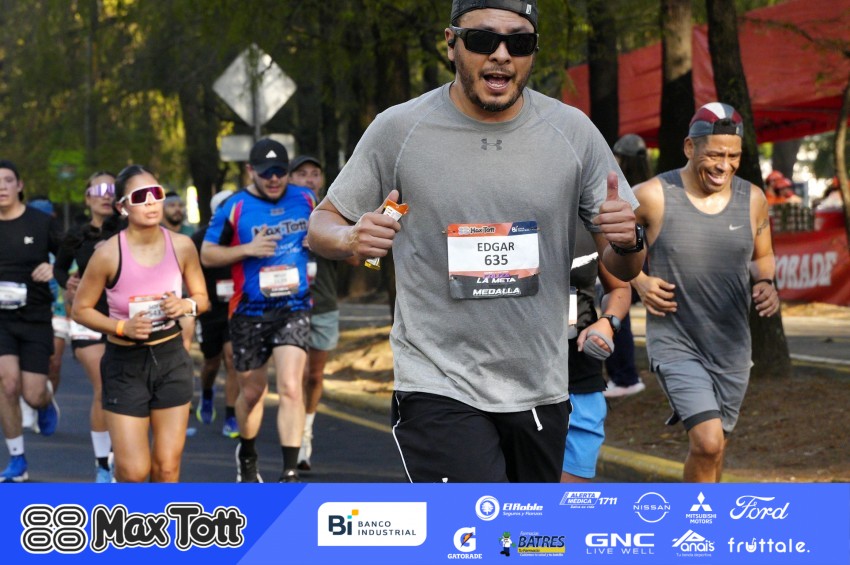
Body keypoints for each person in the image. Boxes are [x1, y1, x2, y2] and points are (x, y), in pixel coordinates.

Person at [307, 0, 645, 483]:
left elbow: (625, 267)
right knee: (478, 522)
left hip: (541, 383)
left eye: (519, 42)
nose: (501, 54)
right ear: (451, 44)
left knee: (529, 526)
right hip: (437, 382)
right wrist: (350, 237)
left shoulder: (572, 132)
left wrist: (628, 241)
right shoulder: (399, 128)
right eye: (483, 39)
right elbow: (321, 224)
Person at [630, 102, 779, 483]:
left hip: (732, 346)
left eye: (733, 156)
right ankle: (695, 517)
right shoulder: (652, 195)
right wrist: (639, 281)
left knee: (717, 447)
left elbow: (763, 257)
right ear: (689, 147)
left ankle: (707, 514)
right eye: (714, 155)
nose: (724, 166)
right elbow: (605, 244)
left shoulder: (753, 199)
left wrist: (765, 284)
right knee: (708, 442)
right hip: (676, 340)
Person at [72, 165, 209, 482]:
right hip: (125, 364)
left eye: (156, 193)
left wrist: (185, 305)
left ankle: (160, 516)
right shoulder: (108, 254)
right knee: (133, 472)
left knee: (167, 469)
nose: (150, 202)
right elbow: (81, 310)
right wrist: (122, 328)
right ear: (122, 207)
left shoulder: (182, 246)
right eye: (139, 196)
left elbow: (202, 299)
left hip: (171, 358)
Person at [201, 138, 314, 483]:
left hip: (294, 306)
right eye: (266, 173)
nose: (274, 179)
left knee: (291, 387)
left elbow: (331, 231)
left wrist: (319, 240)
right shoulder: (234, 206)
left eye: (280, 171)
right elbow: (207, 254)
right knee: (252, 393)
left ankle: (289, 471)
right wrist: (247, 249)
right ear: (251, 171)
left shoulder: (307, 199)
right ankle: (247, 454)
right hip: (249, 311)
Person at [54, 171, 120, 482]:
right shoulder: (76, 235)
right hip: (88, 319)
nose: (106, 194)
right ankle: (103, 465)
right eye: (99, 189)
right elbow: (59, 268)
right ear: (87, 197)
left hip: (123, 319)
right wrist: (66, 282)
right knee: (104, 387)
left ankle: (122, 454)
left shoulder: (128, 231)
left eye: (112, 189)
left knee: (125, 391)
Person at [0, 160, 62, 482]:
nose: (1, 187)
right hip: (1, 320)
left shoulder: (40, 222)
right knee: (7, 384)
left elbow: (71, 256)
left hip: (35, 317)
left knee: (32, 394)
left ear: (20, 185)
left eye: (7, 180)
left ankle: (45, 401)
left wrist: (54, 268)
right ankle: (17, 460)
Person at [561, 226, 631, 482]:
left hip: (578, 379)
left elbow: (619, 288)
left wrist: (608, 322)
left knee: (566, 502)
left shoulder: (586, 216)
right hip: (500, 385)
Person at [289, 155, 342, 472]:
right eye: (302, 174)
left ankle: (306, 430)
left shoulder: (334, 212)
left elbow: (357, 258)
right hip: (287, 307)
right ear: (290, 179)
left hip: (324, 304)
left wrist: (328, 242)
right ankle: (293, 437)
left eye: (315, 173)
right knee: (293, 377)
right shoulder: (281, 212)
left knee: (314, 376)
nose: (309, 179)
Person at [191, 190, 241, 438]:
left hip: (236, 307)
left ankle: (231, 416)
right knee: (211, 363)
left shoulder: (244, 235)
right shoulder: (200, 239)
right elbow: (188, 272)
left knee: (232, 359)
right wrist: (198, 298)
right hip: (210, 308)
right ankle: (207, 392)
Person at [603, 134, 649, 398]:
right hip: (642, 263)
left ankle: (624, 375)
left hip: (628, 262)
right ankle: (625, 375)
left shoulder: (628, 192)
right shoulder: (649, 187)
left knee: (615, 312)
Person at [24, 197, 67, 430]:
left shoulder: (61, 241)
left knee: (54, 363)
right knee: (20, 366)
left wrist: (56, 269)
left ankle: (44, 400)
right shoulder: (17, 236)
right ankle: (33, 398)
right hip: (27, 310)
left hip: (58, 309)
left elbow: (76, 269)